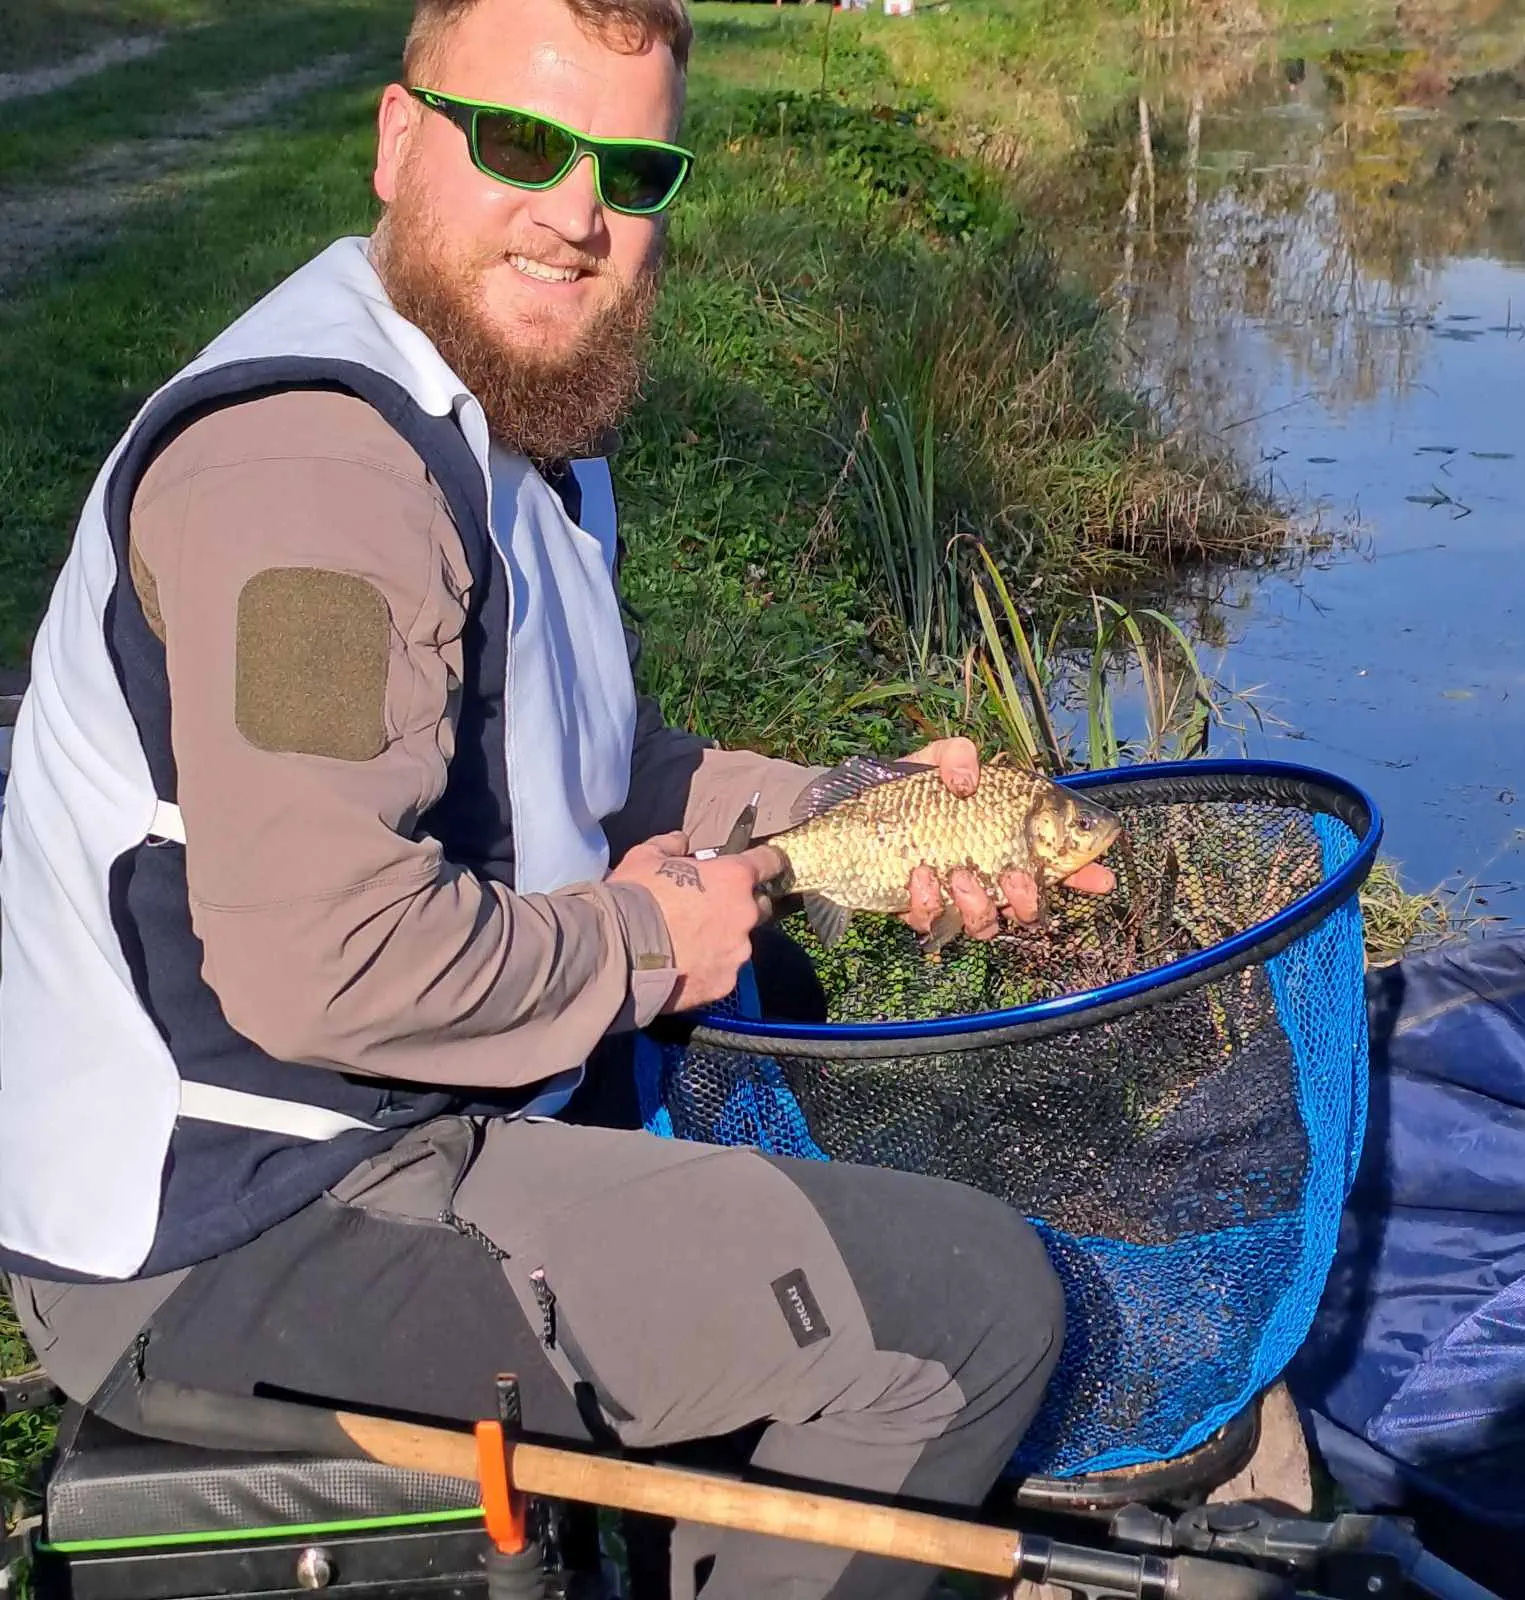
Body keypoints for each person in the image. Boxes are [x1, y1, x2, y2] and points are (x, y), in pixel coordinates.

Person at [0, 1, 1113, 1593]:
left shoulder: (520, 416)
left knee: (782, 994)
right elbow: (325, 959)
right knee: (966, 1313)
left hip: (402, 1109)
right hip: (239, 1212)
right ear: (399, 141)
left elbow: (600, 767)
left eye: (631, 170)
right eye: (522, 143)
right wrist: (648, 943)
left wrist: (858, 812)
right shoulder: (309, 489)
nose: (577, 214)